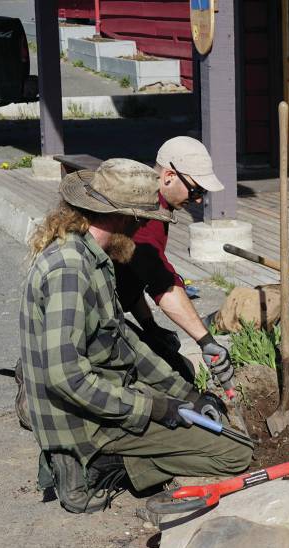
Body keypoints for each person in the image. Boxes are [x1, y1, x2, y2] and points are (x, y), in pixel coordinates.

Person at [19, 158, 253, 514]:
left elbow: (123, 341)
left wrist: (186, 394)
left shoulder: (92, 256)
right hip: (80, 422)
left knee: (185, 398)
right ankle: (93, 465)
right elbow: (66, 378)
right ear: (121, 218)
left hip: (98, 396)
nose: (143, 228)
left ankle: (103, 456)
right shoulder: (70, 270)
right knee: (234, 454)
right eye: (140, 219)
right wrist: (155, 407)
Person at [113, 136, 232, 389]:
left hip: (106, 307)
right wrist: (206, 341)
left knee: (176, 366)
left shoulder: (154, 204)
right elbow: (162, 284)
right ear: (168, 176)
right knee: (178, 383)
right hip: (91, 319)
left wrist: (150, 327)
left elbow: (131, 276)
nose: (198, 199)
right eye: (196, 189)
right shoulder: (143, 216)